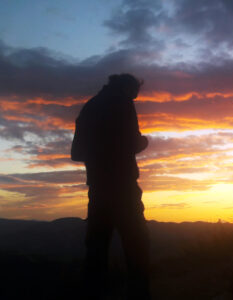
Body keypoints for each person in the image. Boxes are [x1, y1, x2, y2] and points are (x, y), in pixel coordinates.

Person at [71, 74, 151, 299]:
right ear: (127, 87)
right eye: (135, 93)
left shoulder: (89, 107)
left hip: (98, 189)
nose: (135, 98)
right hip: (123, 187)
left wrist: (100, 153)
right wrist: (144, 142)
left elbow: (76, 153)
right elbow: (134, 143)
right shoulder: (122, 103)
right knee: (137, 244)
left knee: (96, 250)